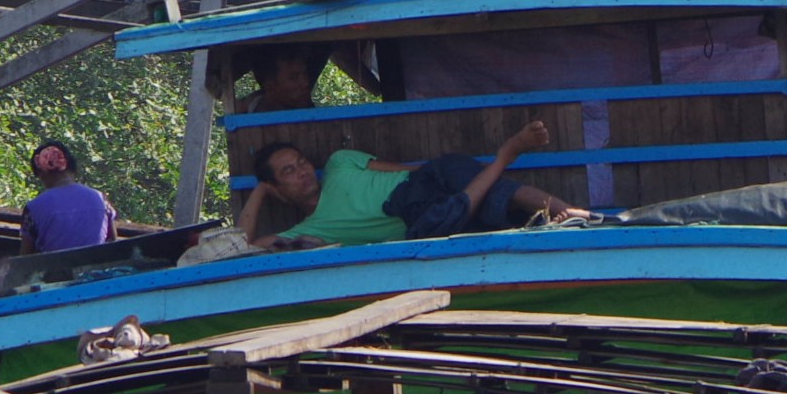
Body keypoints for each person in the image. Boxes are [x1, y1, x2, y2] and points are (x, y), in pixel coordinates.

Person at [234, 119, 591, 249]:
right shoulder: (309, 230)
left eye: (301, 163)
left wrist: (450, 170)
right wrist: (261, 191)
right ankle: (505, 159)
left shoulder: (340, 163)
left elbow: (406, 169)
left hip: (422, 183)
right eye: (287, 173)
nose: (302, 171)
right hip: (419, 219)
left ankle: (576, 215)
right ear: (277, 189)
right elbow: (244, 244)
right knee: (443, 225)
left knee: (485, 186)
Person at [19, 141, 115, 255]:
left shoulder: (33, 208)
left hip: (54, 271)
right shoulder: (101, 200)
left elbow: (26, 256)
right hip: (94, 270)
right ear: (71, 167)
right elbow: (112, 240)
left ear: (41, 174)